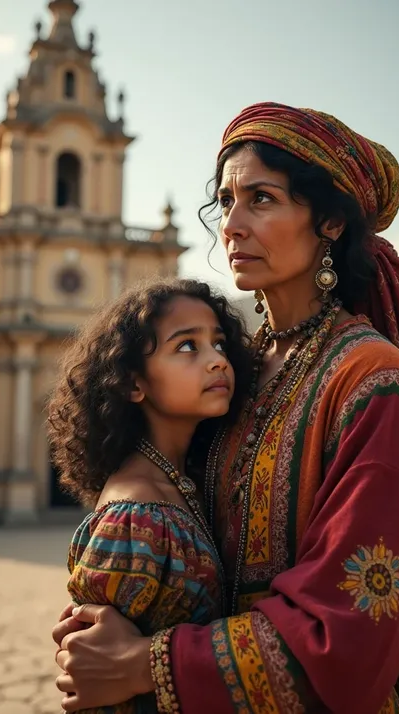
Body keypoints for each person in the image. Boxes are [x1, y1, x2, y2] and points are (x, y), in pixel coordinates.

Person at [53, 102, 399, 714]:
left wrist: (144, 664)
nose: (231, 224)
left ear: (330, 222)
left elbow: (353, 626)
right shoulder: (236, 372)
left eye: (261, 199)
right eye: (226, 201)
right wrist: (102, 614)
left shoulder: (370, 379)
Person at [48, 278, 252, 713]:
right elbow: (93, 675)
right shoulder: (134, 518)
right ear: (133, 383)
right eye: (186, 347)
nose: (217, 360)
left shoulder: (181, 480)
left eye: (218, 343)